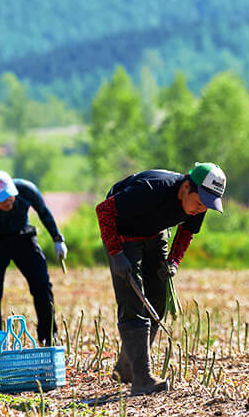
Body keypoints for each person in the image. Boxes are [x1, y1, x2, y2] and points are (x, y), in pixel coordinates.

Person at [95, 162, 226, 396]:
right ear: (186, 187)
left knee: (156, 302)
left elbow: (186, 233)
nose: (200, 209)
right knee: (134, 300)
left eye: (206, 206)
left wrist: (173, 262)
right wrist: (116, 254)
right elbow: (104, 211)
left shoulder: (198, 206)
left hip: (155, 233)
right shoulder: (151, 189)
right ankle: (141, 378)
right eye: (198, 202)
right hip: (123, 232)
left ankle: (127, 367)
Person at [0, 170, 68, 345]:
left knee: (41, 284)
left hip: (23, 237)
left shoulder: (26, 190)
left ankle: (48, 337)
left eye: (10, 196)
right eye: (2, 199)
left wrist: (57, 239)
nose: (8, 201)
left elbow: (43, 212)